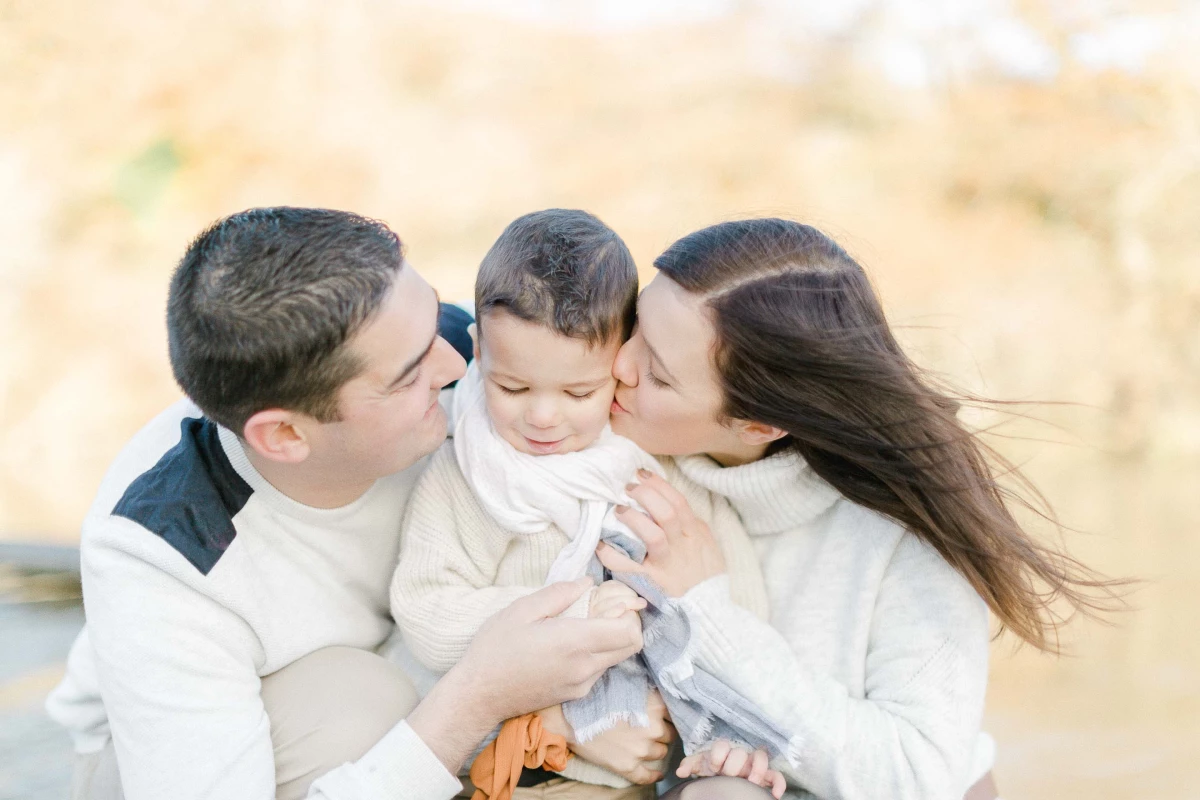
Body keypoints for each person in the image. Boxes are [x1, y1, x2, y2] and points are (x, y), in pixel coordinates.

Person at [44, 207, 645, 800]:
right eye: (411, 376)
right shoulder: (163, 557)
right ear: (286, 437)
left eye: (436, 318)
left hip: (422, 670)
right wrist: (483, 697)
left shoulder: (472, 360)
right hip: (200, 751)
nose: (458, 365)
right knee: (359, 704)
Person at [596, 219, 1117, 800]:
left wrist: (712, 618)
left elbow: (920, 775)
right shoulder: (616, 443)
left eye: (660, 376)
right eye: (636, 325)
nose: (619, 364)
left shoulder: (907, 527)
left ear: (759, 424)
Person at [390, 209, 784, 800]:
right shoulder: (468, 474)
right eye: (512, 387)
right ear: (479, 349)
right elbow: (426, 612)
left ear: (621, 363)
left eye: (580, 392)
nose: (543, 417)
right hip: (523, 767)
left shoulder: (643, 460)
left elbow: (732, 594)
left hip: (656, 759)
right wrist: (575, 613)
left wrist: (729, 729)